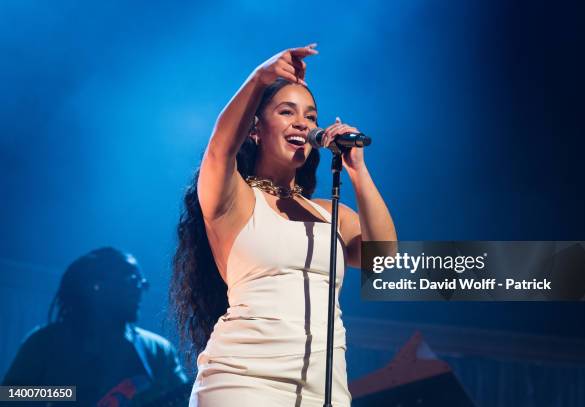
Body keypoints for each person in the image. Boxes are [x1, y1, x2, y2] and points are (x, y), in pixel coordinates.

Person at [171, 43, 397, 406]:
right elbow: (219, 149)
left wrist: (358, 170)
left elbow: (384, 260)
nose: (302, 124)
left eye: (310, 116)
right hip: (243, 382)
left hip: (324, 390)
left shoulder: (330, 214)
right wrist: (260, 78)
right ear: (255, 129)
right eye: (287, 112)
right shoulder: (234, 199)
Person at [2, 247, 189, 406]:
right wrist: (72, 394)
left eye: (142, 283)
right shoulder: (45, 342)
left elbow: (186, 400)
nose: (140, 288)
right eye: (131, 280)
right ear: (97, 287)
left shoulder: (158, 350)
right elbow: (9, 394)